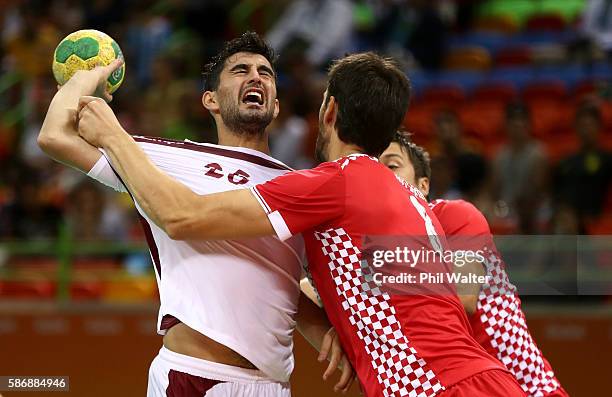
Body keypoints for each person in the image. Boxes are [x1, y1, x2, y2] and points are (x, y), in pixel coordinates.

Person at [75, 51, 525, 397]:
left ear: (328, 112)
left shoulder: (334, 182)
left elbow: (183, 215)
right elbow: (404, 286)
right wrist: (332, 322)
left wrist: (113, 135)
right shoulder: (404, 194)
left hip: (433, 386)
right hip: (477, 376)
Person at [39, 32, 353, 397]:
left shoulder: (301, 186)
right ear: (211, 100)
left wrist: (335, 333)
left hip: (271, 386)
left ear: (277, 105)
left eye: (265, 73)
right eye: (241, 70)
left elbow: (284, 282)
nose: (255, 77)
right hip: (191, 378)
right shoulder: (165, 157)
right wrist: (85, 77)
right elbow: (54, 136)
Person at [380, 132, 569, 397]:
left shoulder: (453, 215)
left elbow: (464, 296)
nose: (382, 177)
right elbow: (312, 290)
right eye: (375, 170)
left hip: (528, 388)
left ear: (423, 185)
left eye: (392, 166)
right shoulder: (377, 251)